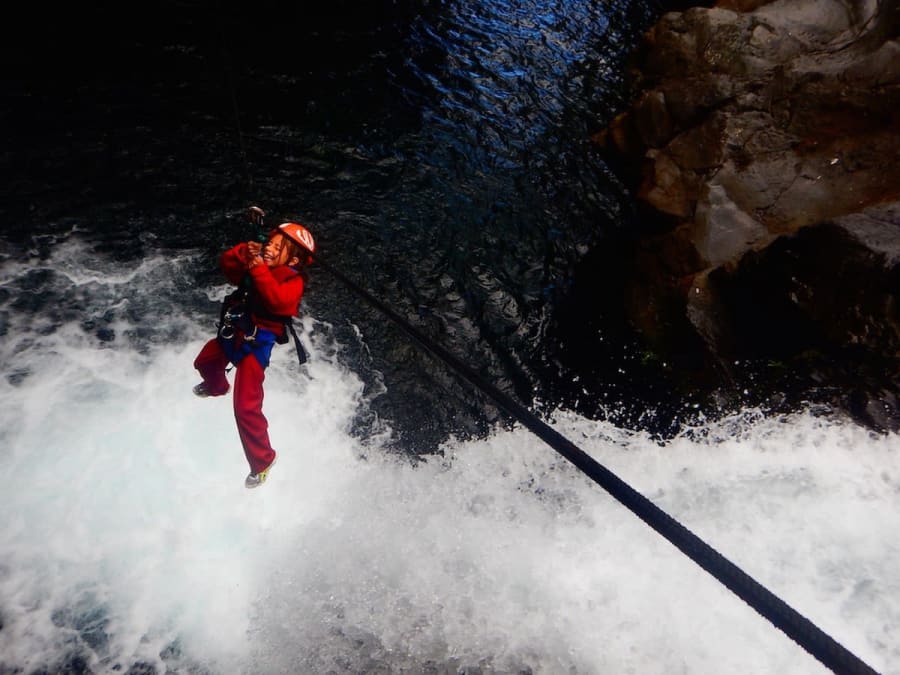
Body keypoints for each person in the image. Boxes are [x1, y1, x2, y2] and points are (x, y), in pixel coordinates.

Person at [193, 209, 315, 488]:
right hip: (235, 329)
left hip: (255, 346)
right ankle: (216, 386)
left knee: (246, 407)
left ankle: (263, 460)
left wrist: (258, 264)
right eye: (269, 244)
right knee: (204, 362)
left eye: (277, 248)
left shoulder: (292, 282)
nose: (270, 250)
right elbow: (229, 267)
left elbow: (276, 301)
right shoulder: (258, 264)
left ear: (294, 260)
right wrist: (246, 253)